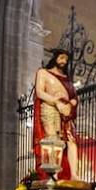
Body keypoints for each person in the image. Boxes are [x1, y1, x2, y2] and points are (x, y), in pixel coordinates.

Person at [32, 47, 80, 181]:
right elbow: (40, 92)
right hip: (49, 108)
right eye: (61, 58)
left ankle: (74, 174)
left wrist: (70, 104)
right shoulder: (44, 73)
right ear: (55, 58)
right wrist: (56, 102)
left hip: (66, 112)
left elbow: (75, 96)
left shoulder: (67, 79)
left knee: (71, 141)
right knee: (53, 139)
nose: (63, 61)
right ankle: (53, 174)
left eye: (66, 59)